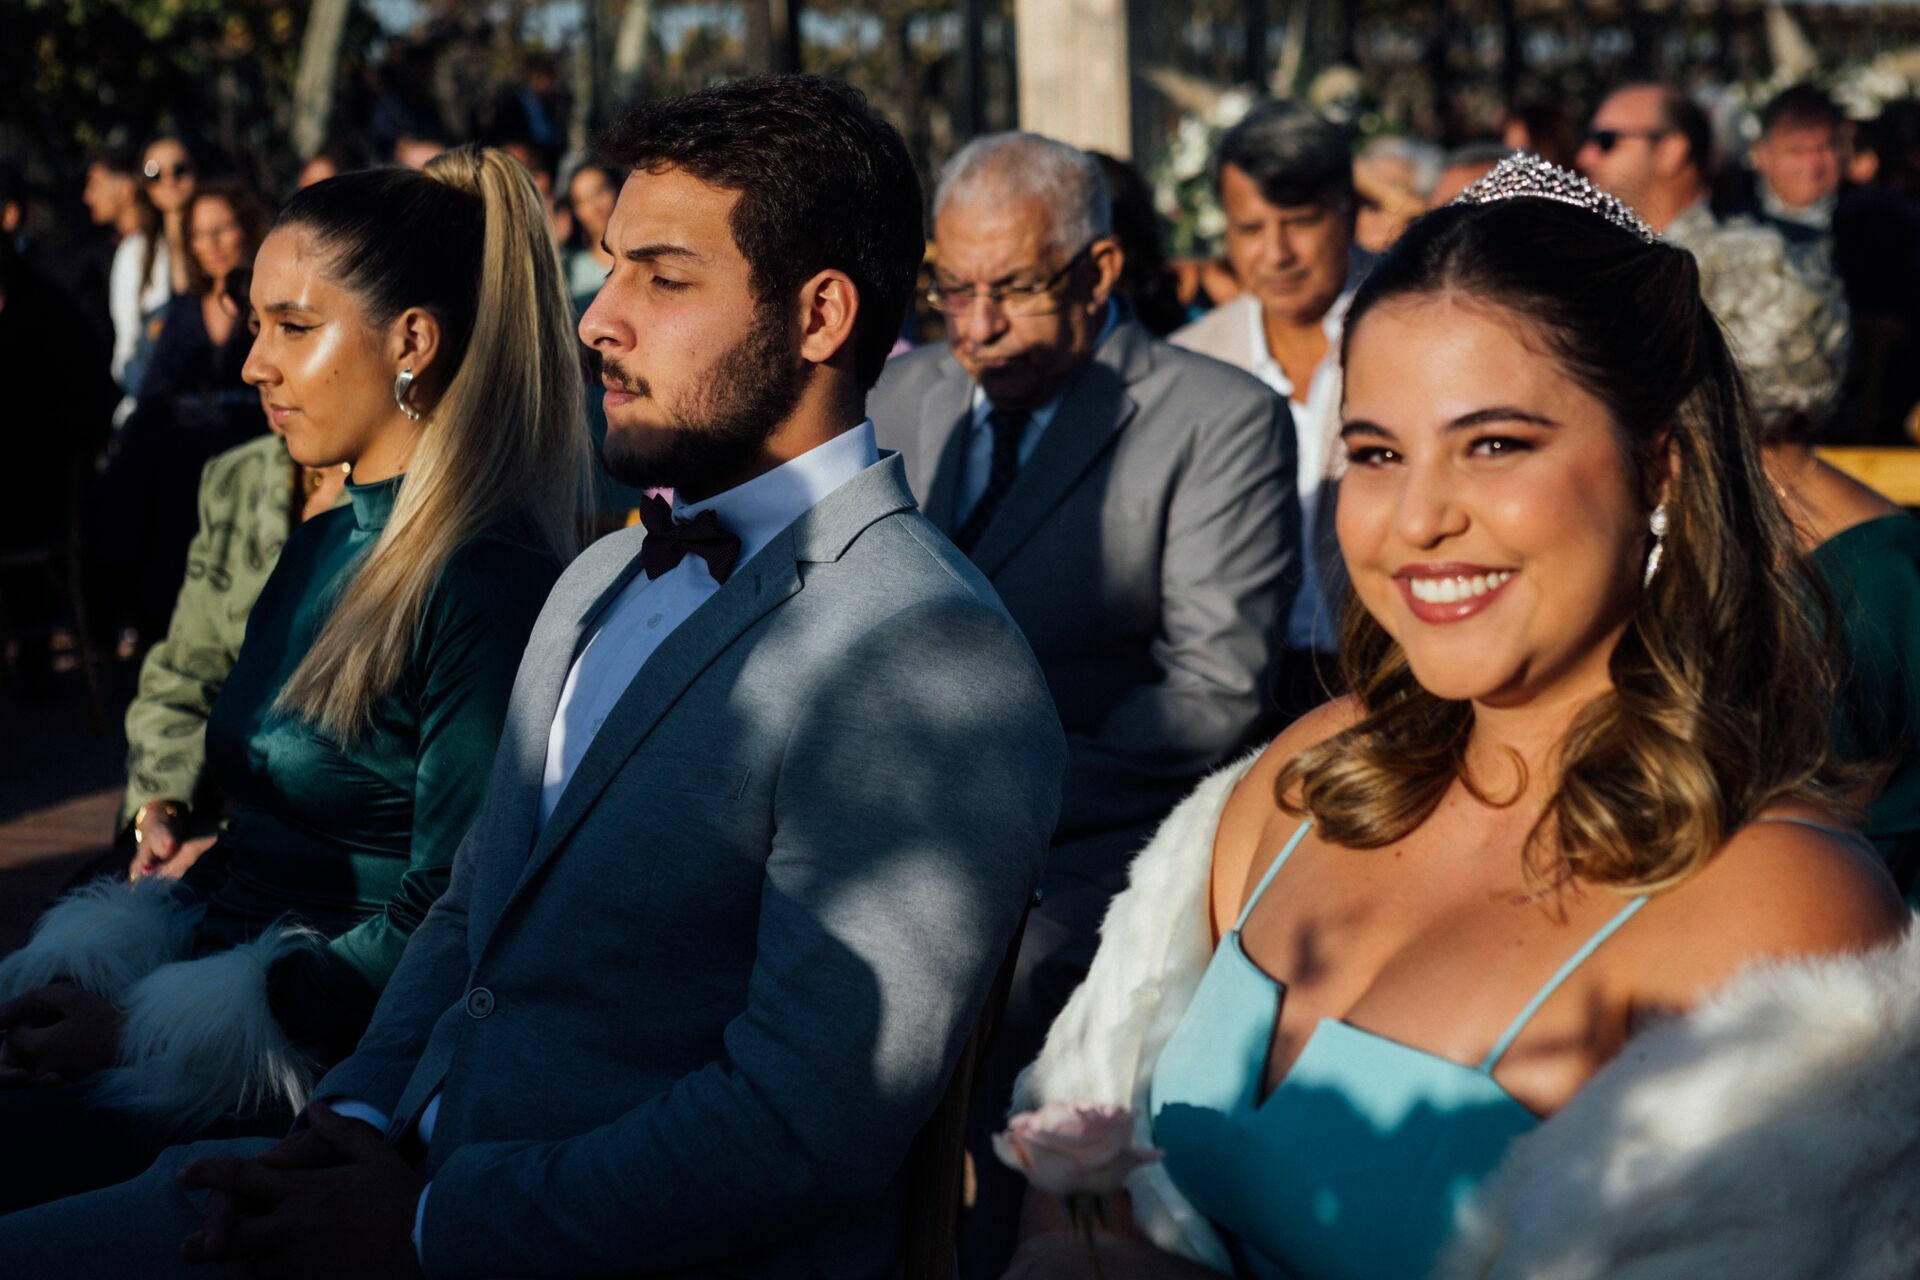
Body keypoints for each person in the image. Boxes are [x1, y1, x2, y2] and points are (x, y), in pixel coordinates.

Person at [0, 74, 1063, 1278]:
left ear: (819, 315)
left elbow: (796, 1124)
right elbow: (464, 911)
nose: (598, 318)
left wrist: (416, 1225)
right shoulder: (600, 578)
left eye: (662, 277)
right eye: (608, 269)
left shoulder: (927, 649)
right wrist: (342, 1123)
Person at [1004, 154, 1910, 1280]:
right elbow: (1082, 1153)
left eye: (1494, 443)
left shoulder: (1781, 909)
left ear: (1660, 466)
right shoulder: (1303, 777)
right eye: (1377, 453)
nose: (1417, 516)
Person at [0, 145, 589, 1213]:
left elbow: (447, 910)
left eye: (292, 326)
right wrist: (113, 966)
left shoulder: (483, 580)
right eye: (255, 322)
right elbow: (262, 835)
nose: (253, 364)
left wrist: (138, 1023)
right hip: (195, 1009)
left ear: (412, 339)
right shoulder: (326, 536)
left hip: (310, 1090)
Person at [868, 129, 1297, 1278]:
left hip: (1090, 833)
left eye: (1010, 289)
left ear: (1101, 272)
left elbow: (1211, 689)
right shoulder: (904, 393)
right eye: (949, 287)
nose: (973, 326)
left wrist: (991, 805)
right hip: (880, 815)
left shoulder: (1218, 419)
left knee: (1020, 982)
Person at [1171, 99, 1365, 719]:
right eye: (1250, 230)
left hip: (1394, 680)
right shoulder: (1189, 363)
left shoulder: (1417, 326)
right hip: (1243, 703)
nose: (1276, 253)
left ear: (1348, 213)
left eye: (1300, 221)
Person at [94, 179, 277, 643]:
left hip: (253, 447)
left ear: (246, 229)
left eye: (223, 229)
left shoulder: (270, 303)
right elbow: (155, 390)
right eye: (200, 234)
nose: (212, 245)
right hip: (181, 456)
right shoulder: (182, 310)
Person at [84, 145, 169, 416]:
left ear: (127, 189)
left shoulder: (146, 250)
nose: (87, 196)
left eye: (95, 183)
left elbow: (135, 343)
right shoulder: (123, 251)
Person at [141, 135, 198, 297]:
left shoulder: (226, 238)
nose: (169, 180)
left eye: (178, 169)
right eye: (154, 174)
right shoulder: (135, 251)